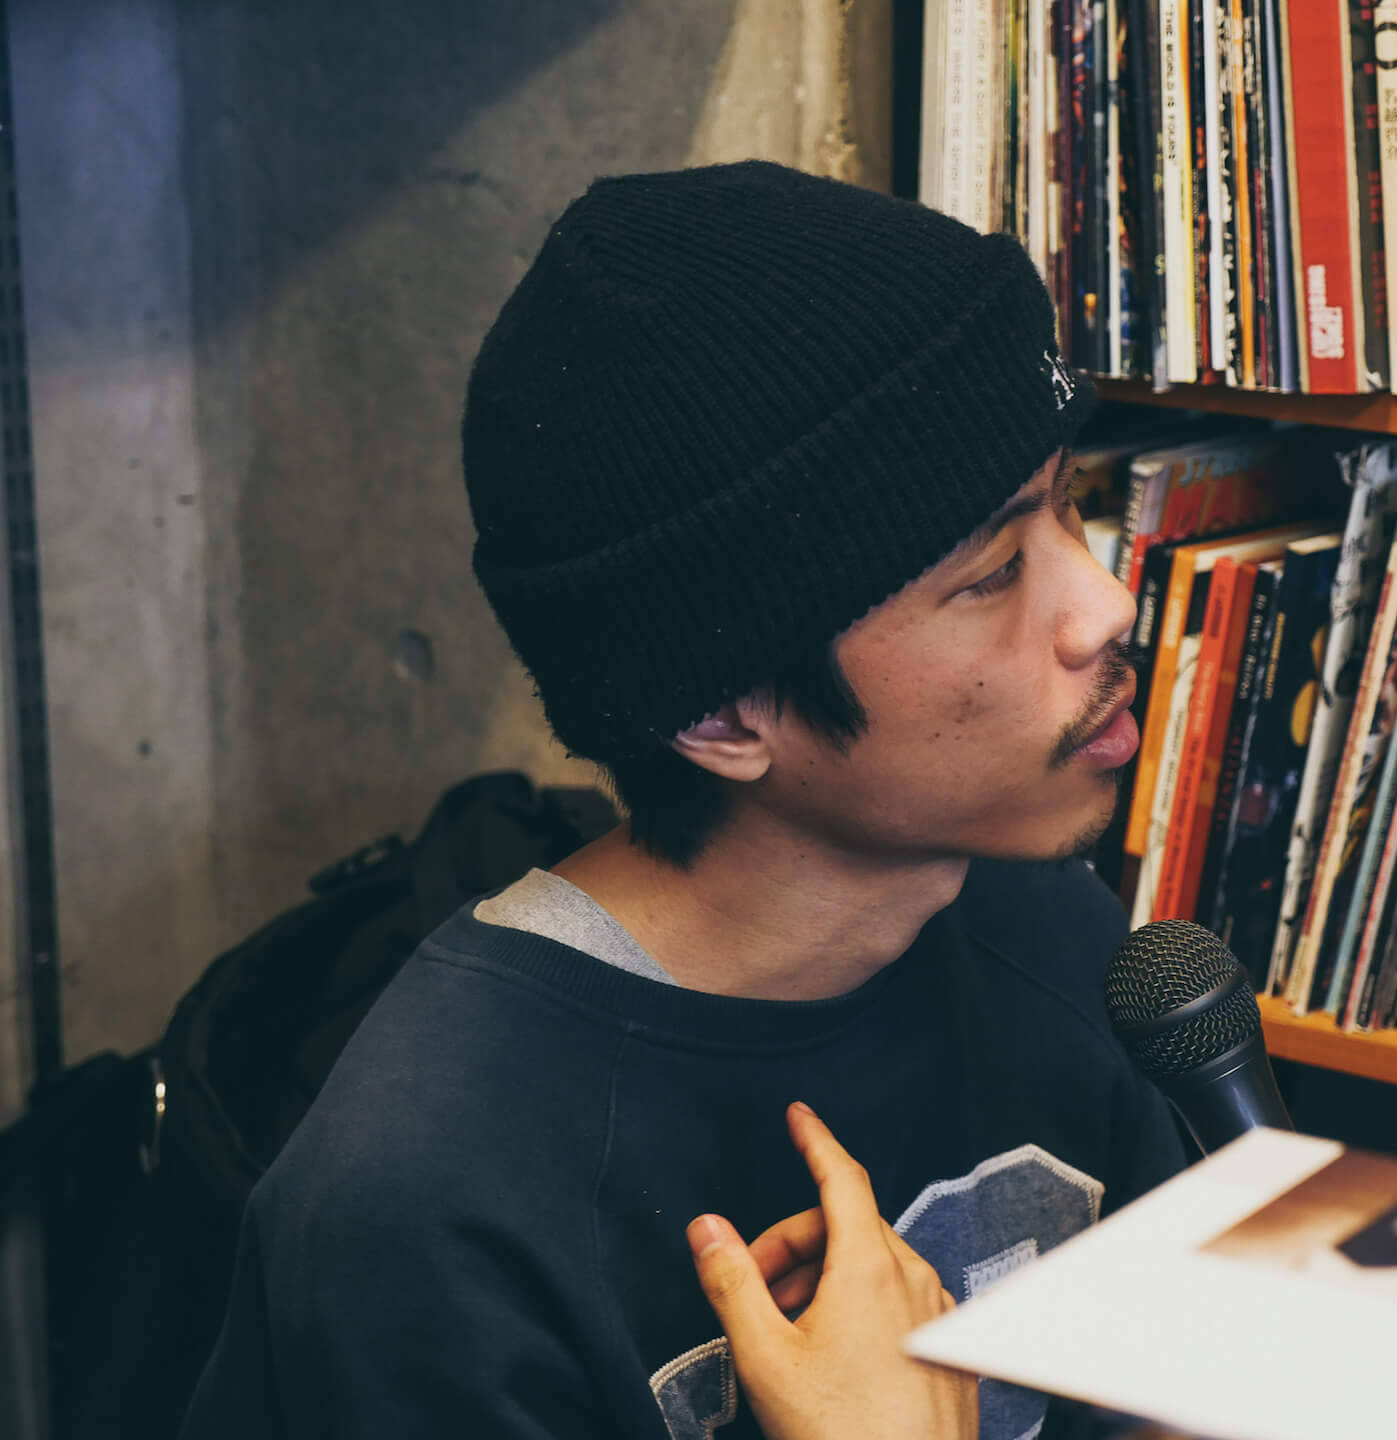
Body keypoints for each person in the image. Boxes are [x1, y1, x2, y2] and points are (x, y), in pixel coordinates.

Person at [180, 160, 1190, 1440]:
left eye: (1068, 508)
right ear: (722, 716)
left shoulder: (1053, 934)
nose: (1105, 604)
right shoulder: (428, 1209)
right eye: (993, 573)